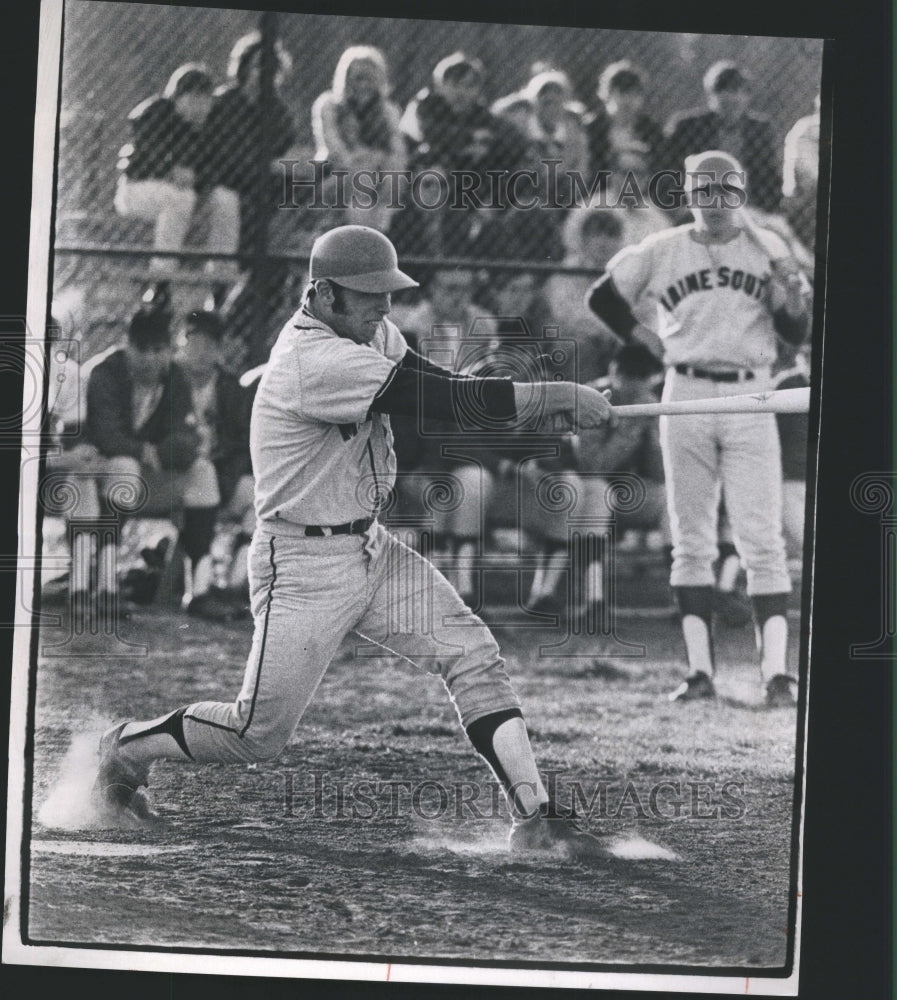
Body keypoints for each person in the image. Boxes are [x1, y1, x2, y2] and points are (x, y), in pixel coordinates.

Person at [92, 225, 617, 860]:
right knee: (255, 735)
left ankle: (536, 814)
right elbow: (443, 399)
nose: (383, 308)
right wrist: (556, 394)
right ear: (323, 294)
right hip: (302, 563)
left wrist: (538, 410)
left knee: (473, 652)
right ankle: (123, 746)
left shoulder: (365, 329)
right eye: (368, 297)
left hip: (371, 546)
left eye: (387, 295)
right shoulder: (314, 360)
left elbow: (431, 382)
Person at [586, 151, 810, 707]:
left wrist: (792, 295)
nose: (714, 200)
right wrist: (641, 337)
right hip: (682, 390)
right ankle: (699, 670)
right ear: (688, 193)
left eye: (725, 189)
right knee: (690, 537)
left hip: (750, 391)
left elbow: (795, 328)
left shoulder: (768, 245)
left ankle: (776, 674)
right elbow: (603, 296)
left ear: (741, 191)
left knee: (761, 537)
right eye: (703, 189)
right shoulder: (665, 248)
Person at [85, 307, 222, 617]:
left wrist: (163, 451)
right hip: (94, 481)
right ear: (127, 346)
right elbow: (106, 436)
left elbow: (185, 438)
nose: (149, 358)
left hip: (150, 474)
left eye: (158, 350)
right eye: (141, 349)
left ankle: (199, 590)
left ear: (169, 350)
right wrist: (147, 451)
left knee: (203, 472)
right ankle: (105, 588)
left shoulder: (175, 376)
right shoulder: (105, 372)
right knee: (124, 466)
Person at [114, 64, 240, 275]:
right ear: (177, 98)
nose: (200, 107)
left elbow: (217, 168)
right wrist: (169, 171)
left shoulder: (209, 127)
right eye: (193, 99)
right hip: (137, 191)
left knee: (226, 199)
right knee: (180, 198)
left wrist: (198, 177)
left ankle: (220, 279)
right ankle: (161, 278)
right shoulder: (156, 113)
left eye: (205, 100)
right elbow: (139, 162)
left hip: (189, 196)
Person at [175, 309, 255, 616]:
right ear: (180, 343)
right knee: (202, 474)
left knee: (259, 494)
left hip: (218, 474)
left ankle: (235, 584)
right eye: (192, 341)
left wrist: (228, 470)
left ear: (220, 350)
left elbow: (242, 444)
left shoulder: (232, 388)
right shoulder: (168, 379)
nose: (199, 351)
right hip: (175, 473)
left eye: (208, 344)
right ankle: (199, 589)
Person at [311, 45, 407, 233]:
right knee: (362, 176)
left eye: (370, 79)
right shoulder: (329, 105)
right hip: (334, 178)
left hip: (380, 178)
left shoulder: (389, 111)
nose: (363, 85)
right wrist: (367, 160)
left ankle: (375, 236)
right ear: (346, 79)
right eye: (358, 78)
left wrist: (380, 163)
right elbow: (335, 151)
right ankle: (363, 238)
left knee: (392, 178)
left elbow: (399, 153)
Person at [665, 62, 782, 214]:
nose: (731, 98)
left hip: (748, 208)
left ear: (747, 95)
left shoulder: (760, 129)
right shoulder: (688, 127)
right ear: (710, 95)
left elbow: (770, 178)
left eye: (737, 90)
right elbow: (669, 171)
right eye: (723, 90)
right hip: (699, 207)